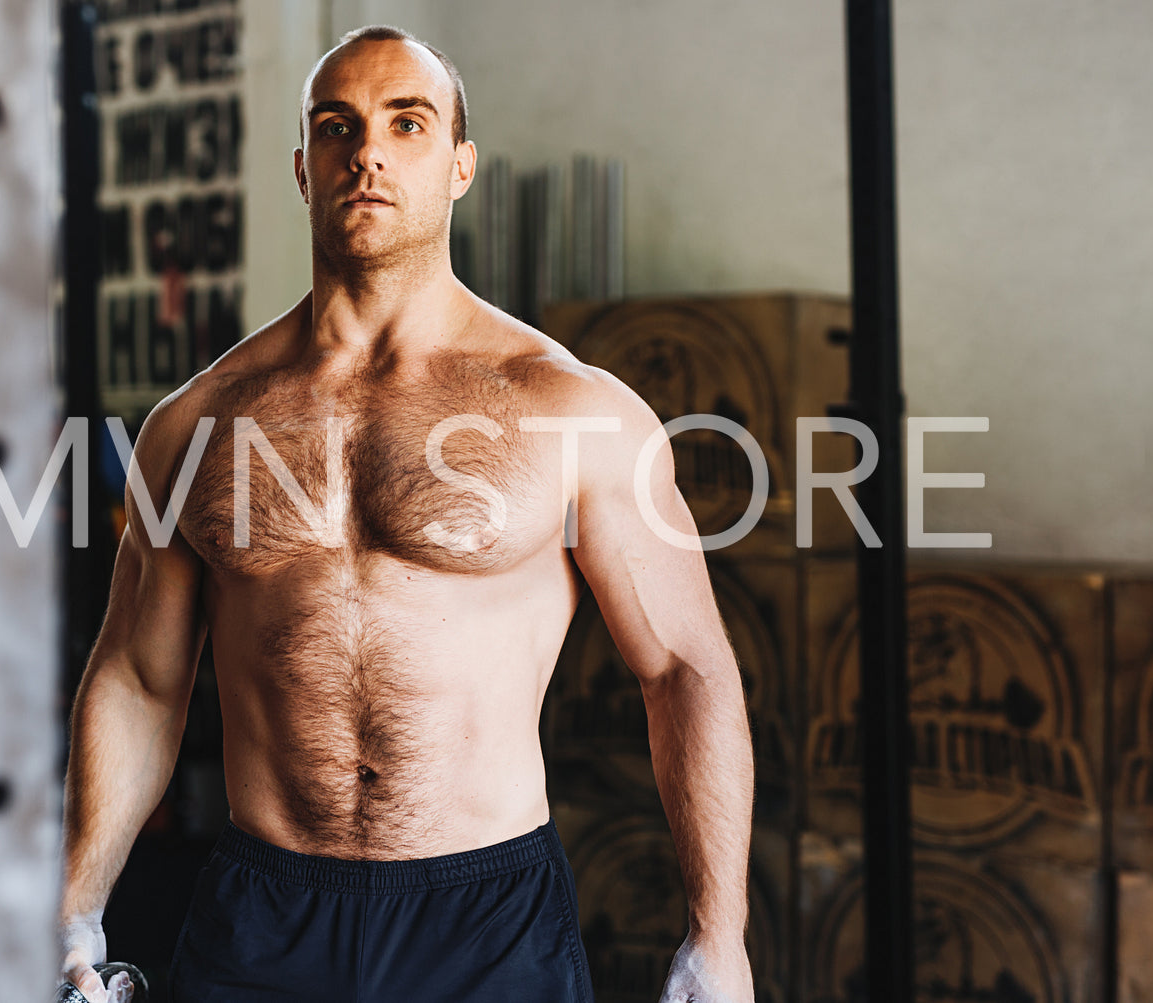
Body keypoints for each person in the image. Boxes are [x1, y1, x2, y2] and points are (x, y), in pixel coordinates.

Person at [59, 24, 755, 1003]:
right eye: (337, 127)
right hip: (265, 915)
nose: (368, 152)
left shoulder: (572, 408)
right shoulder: (197, 422)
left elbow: (683, 669)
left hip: (486, 922)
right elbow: (136, 679)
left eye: (406, 122)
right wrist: (74, 905)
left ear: (459, 164)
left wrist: (716, 936)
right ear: (303, 166)